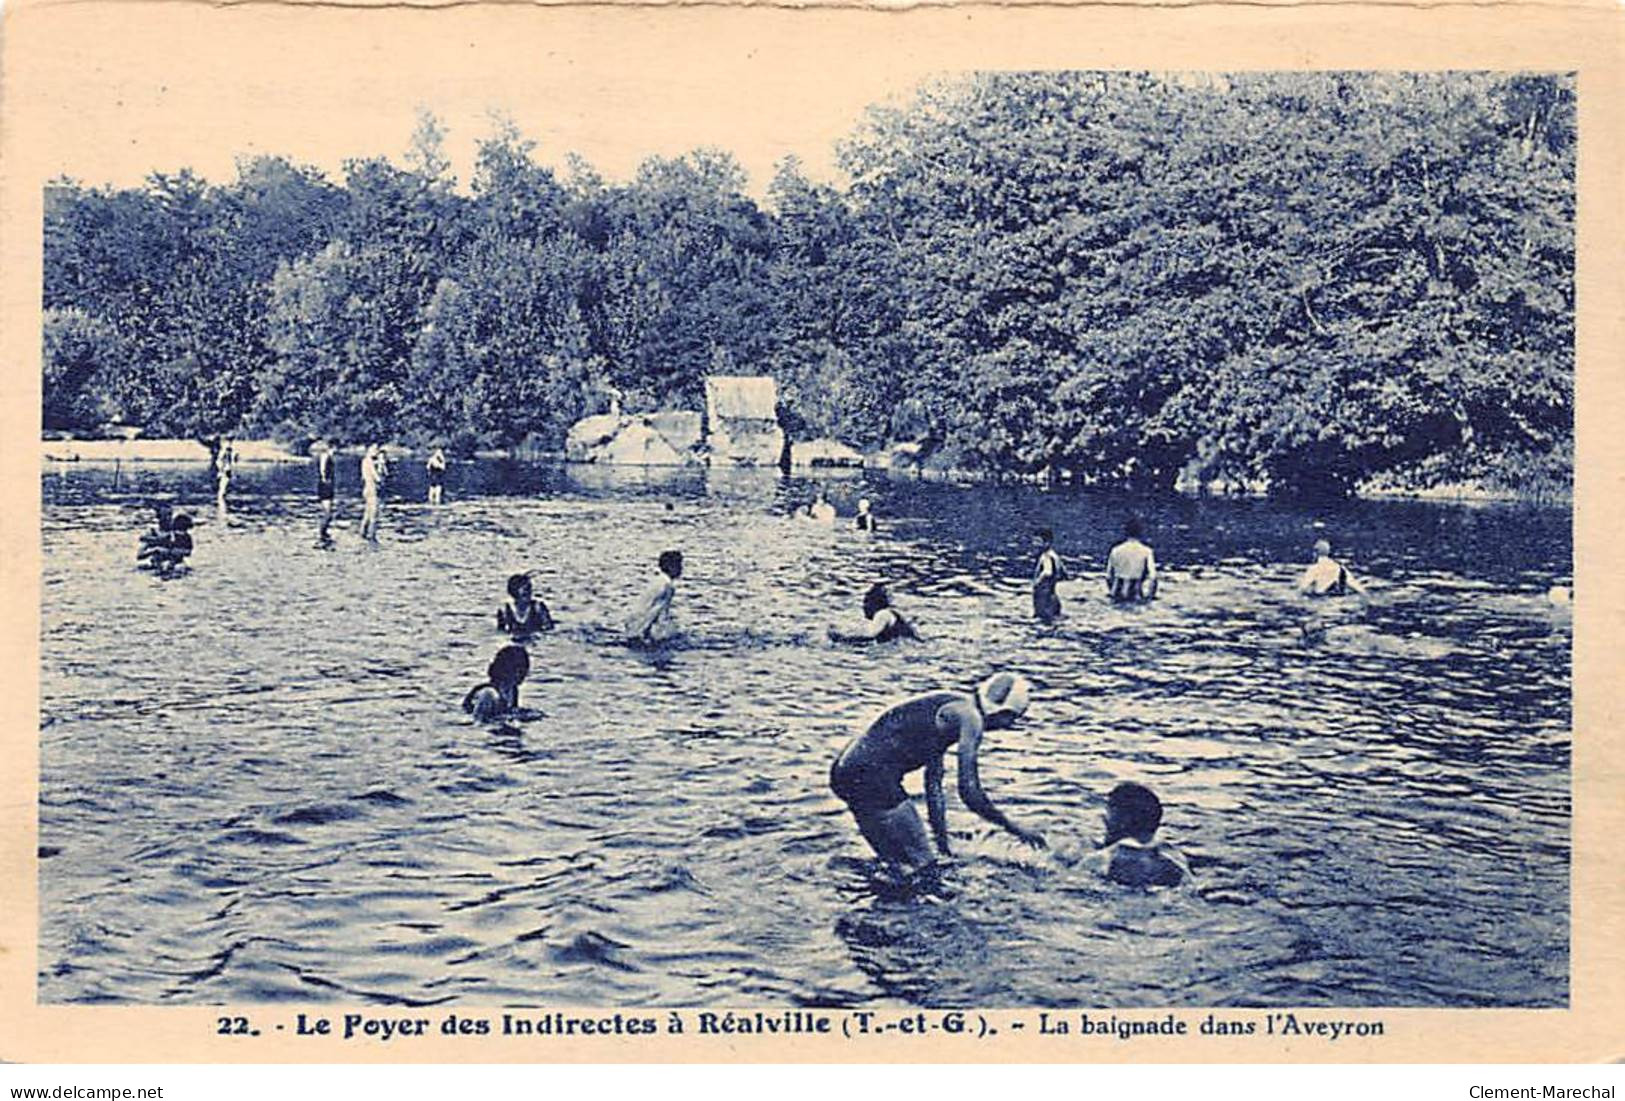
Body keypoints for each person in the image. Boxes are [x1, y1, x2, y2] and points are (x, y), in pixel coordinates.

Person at [829, 671, 1045, 874]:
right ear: (1003, 712)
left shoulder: (949, 709)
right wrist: (1016, 829)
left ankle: (860, 893)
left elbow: (934, 788)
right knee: (925, 867)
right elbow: (969, 792)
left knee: (895, 864)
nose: (1007, 727)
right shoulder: (971, 719)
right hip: (873, 777)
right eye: (1012, 720)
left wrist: (943, 845)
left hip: (845, 772)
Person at [1093, 782, 1189, 888]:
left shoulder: (1105, 858)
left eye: (1108, 813)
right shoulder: (1176, 858)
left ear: (1117, 820)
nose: (1103, 818)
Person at [624, 550, 682, 646]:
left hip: (635, 619)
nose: (681, 569)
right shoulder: (667, 586)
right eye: (678, 565)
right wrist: (646, 634)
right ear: (670, 567)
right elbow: (655, 611)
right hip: (641, 623)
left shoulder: (660, 581)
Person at [829, 583, 920, 644]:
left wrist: (842, 640)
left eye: (866, 603)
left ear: (874, 603)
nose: (864, 608)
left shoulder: (882, 614)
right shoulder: (891, 613)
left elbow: (870, 637)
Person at [462, 644, 531, 722]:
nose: (524, 674)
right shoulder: (488, 693)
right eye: (519, 670)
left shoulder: (512, 690)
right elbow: (480, 719)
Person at [1106, 517, 1158, 603]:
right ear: (1141, 533)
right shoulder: (1146, 551)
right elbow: (1153, 577)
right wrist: (1149, 597)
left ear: (1125, 532)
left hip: (1117, 591)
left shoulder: (1115, 550)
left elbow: (1108, 576)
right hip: (1136, 592)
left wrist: (1112, 592)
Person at [1298, 538, 1366, 597]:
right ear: (1328, 552)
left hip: (1321, 602)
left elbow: (1302, 589)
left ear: (1315, 553)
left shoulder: (1314, 569)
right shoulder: (1341, 568)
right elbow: (1359, 589)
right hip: (1339, 602)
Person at [498, 573, 554, 637]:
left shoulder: (538, 607)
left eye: (529, 589)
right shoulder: (505, 611)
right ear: (514, 593)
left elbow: (549, 629)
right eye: (524, 593)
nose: (528, 593)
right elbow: (501, 632)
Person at [140, 513, 194, 577]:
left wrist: (179, 551)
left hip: (175, 560)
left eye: (183, 531)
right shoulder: (169, 536)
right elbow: (159, 542)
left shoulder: (187, 537)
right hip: (164, 559)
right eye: (179, 531)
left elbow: (188, 551)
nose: (181, 533)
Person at [1032, 527, 1064, 622]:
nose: (1034, 544)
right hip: (1053, 596)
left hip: (1044, 597)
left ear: (1047, 543)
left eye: (1038, 541)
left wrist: (1037, 582)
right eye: (1034, 541)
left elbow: (1048, 572)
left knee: (1042, 621)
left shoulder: (1046, 556)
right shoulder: (1055, 555)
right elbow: (1063, 573)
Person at [360, 442, 387, 543]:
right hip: (372, 489)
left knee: (367, 514)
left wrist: (381, 465)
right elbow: (377, 478)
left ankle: (363, 534)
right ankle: (372, 537)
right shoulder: (369, 462)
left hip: (367, 489)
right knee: (374, 514)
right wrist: (380, 469)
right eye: (375, 449)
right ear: (369, 449)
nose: (377, 451)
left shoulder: (365, 461)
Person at [313, 441, 337, 548]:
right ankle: (322, 533)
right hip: (325, 486)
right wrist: (324, 478)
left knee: (328, 512)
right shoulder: (325, 456)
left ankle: (324, 532)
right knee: (327, 512)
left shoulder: (327, 457)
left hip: (328, 485)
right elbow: (323, 469)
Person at [214, 438, 235, 519]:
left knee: (225, 486)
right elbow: (218, 461)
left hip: (227, 470)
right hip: (224, 471)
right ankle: (221, 503)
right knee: (222, 487)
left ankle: (222, 502)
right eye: (228, 443)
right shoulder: (223, 452)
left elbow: (231, 461)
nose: (230, 444)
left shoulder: (228, 451)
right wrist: (221, 470)